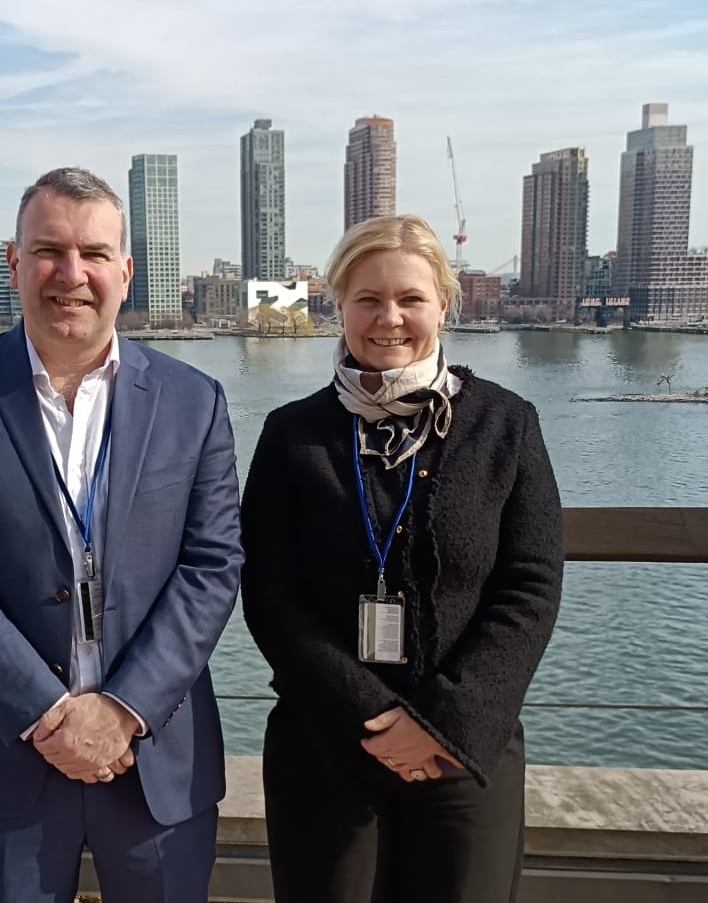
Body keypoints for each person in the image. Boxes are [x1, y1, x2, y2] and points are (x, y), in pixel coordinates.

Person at [0, 167, 243, 903]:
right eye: (49, 250)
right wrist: (45, 712)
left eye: (93, 253)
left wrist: (122, 708)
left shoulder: (194, 400)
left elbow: (212, 565)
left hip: (155, 755)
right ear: (15, 263)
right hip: (2, 751)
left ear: (125, 269)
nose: (71, 274)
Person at [241, 214, 564, 903]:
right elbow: (270, 592)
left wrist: (440, 722)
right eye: (368, 298)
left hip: (463, 749)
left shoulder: (507, 424)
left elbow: (530, 587)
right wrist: (370, 718)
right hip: (323, 743)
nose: (390, 318)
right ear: (338, 307)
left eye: (411, 298)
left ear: (443, 304)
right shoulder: (292, 435)